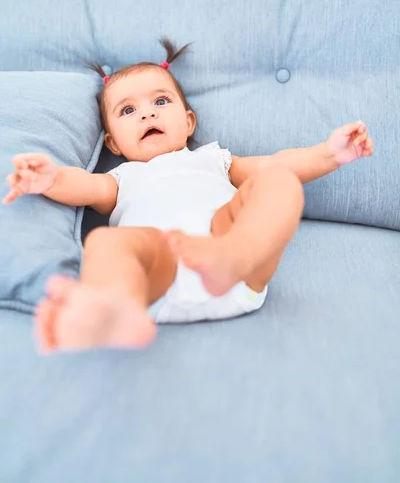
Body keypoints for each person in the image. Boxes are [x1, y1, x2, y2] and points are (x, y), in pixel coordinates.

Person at [3, 38, 374, 353]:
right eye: (128, 110)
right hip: (158, 275)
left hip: (236, 263)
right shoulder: (121, 177)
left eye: (160, 102)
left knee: (279, 181)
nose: (147, 114)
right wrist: (50, 177)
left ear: (189, 121)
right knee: (109, 241)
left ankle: (232, 256)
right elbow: (82, 185)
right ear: (114, 142)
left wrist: (329, 154)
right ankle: (115, 306)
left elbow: (276, 164)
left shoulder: (214, 159)